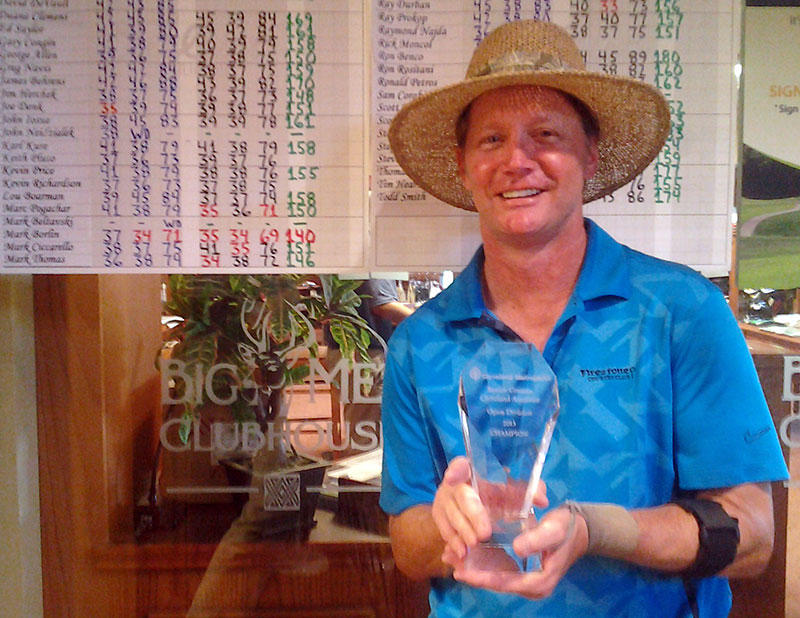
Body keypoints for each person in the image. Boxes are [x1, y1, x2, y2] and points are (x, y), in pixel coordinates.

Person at [379, 19, 789, 618]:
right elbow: (408, 546)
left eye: (545, 134)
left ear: (590, 154)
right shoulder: (420, 342)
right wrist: (449, 525)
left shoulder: (681, 311)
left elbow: (753, 536)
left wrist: (595, 529)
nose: (518, 161)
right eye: (491, 140)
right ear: (464, 165)